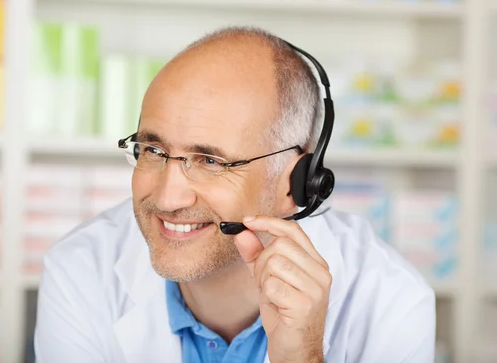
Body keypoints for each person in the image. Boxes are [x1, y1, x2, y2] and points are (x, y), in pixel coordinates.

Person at [34, 26, 436, 363]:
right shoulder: (81, 270)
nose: (169, 197)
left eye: (210, 161)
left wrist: (303, 357)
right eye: (153, 150)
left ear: (296, 181)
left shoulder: (391, 301)